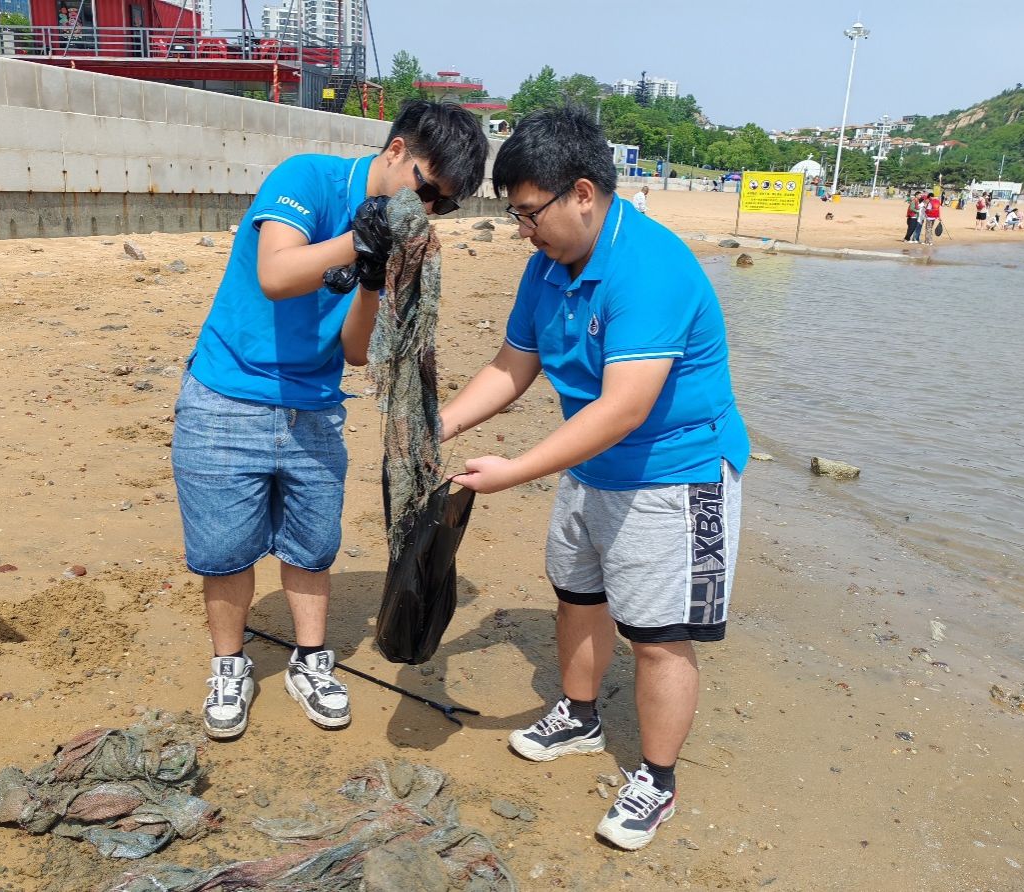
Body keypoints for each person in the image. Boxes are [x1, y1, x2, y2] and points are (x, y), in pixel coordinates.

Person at [440, 107, 749, 852]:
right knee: (578, 596)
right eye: (514, 216)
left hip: (675, 476)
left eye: (529, 213)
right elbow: (512, 366)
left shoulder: (651, 267)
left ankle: (658, 779)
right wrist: (438, 426)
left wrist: (514, 471)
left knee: (659, 635)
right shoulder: (547, 266)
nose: (523, 231)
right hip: (589, 465)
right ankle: (579, 716)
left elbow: (624, 407)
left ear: (583, 193)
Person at [172, 100, 488, 741]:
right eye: (427, 189)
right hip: (227, 397)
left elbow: (354, 351)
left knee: (312, 548)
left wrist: (370, 281)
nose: (427, 210)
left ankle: (310, 661)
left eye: (444, 206)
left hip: (315, 408)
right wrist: (359, 239)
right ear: (396, 151)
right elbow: (275, 273)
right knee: (225, 553)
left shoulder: (395, 237)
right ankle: (229, 666)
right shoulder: (306, 178)